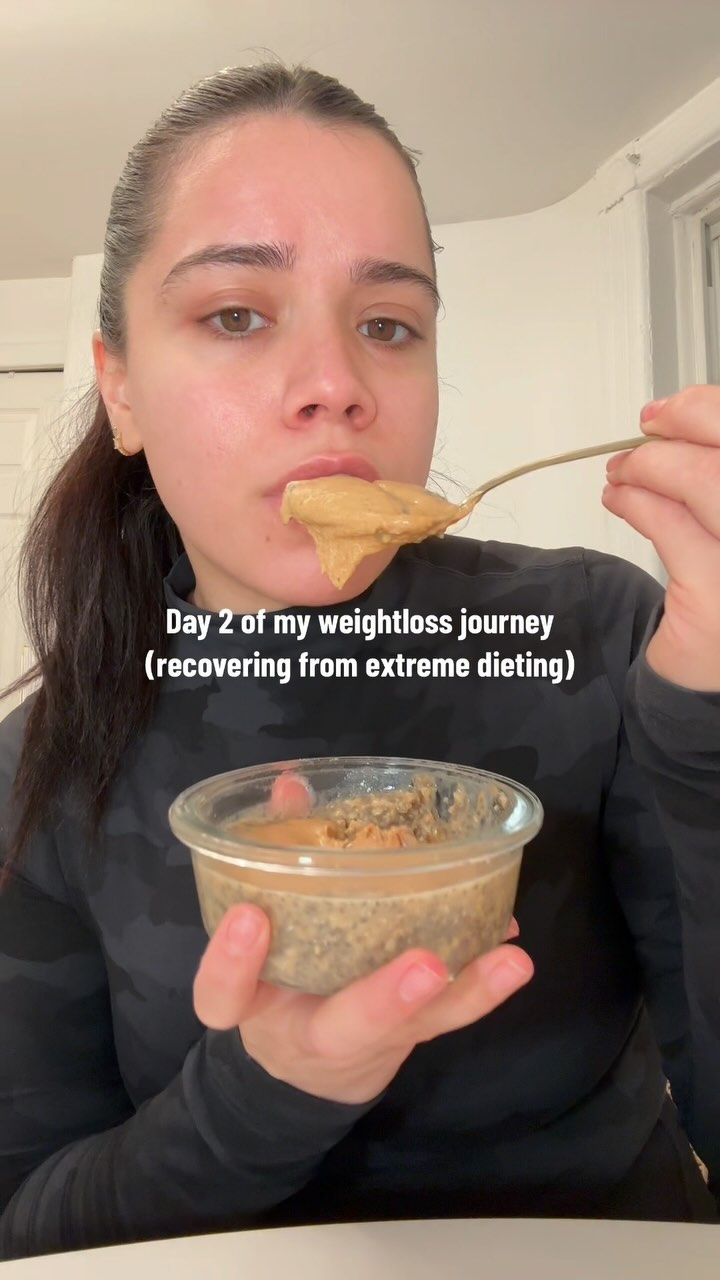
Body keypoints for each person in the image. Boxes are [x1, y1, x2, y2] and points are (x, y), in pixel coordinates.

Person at [1, 59, 719, 1261]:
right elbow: (26, 1229)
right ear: (119, 387)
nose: (336, 387)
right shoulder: (38, 771)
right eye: (237, 314)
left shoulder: (593, 632)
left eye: (388, 325)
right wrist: (269, 1085)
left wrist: (707, 724)